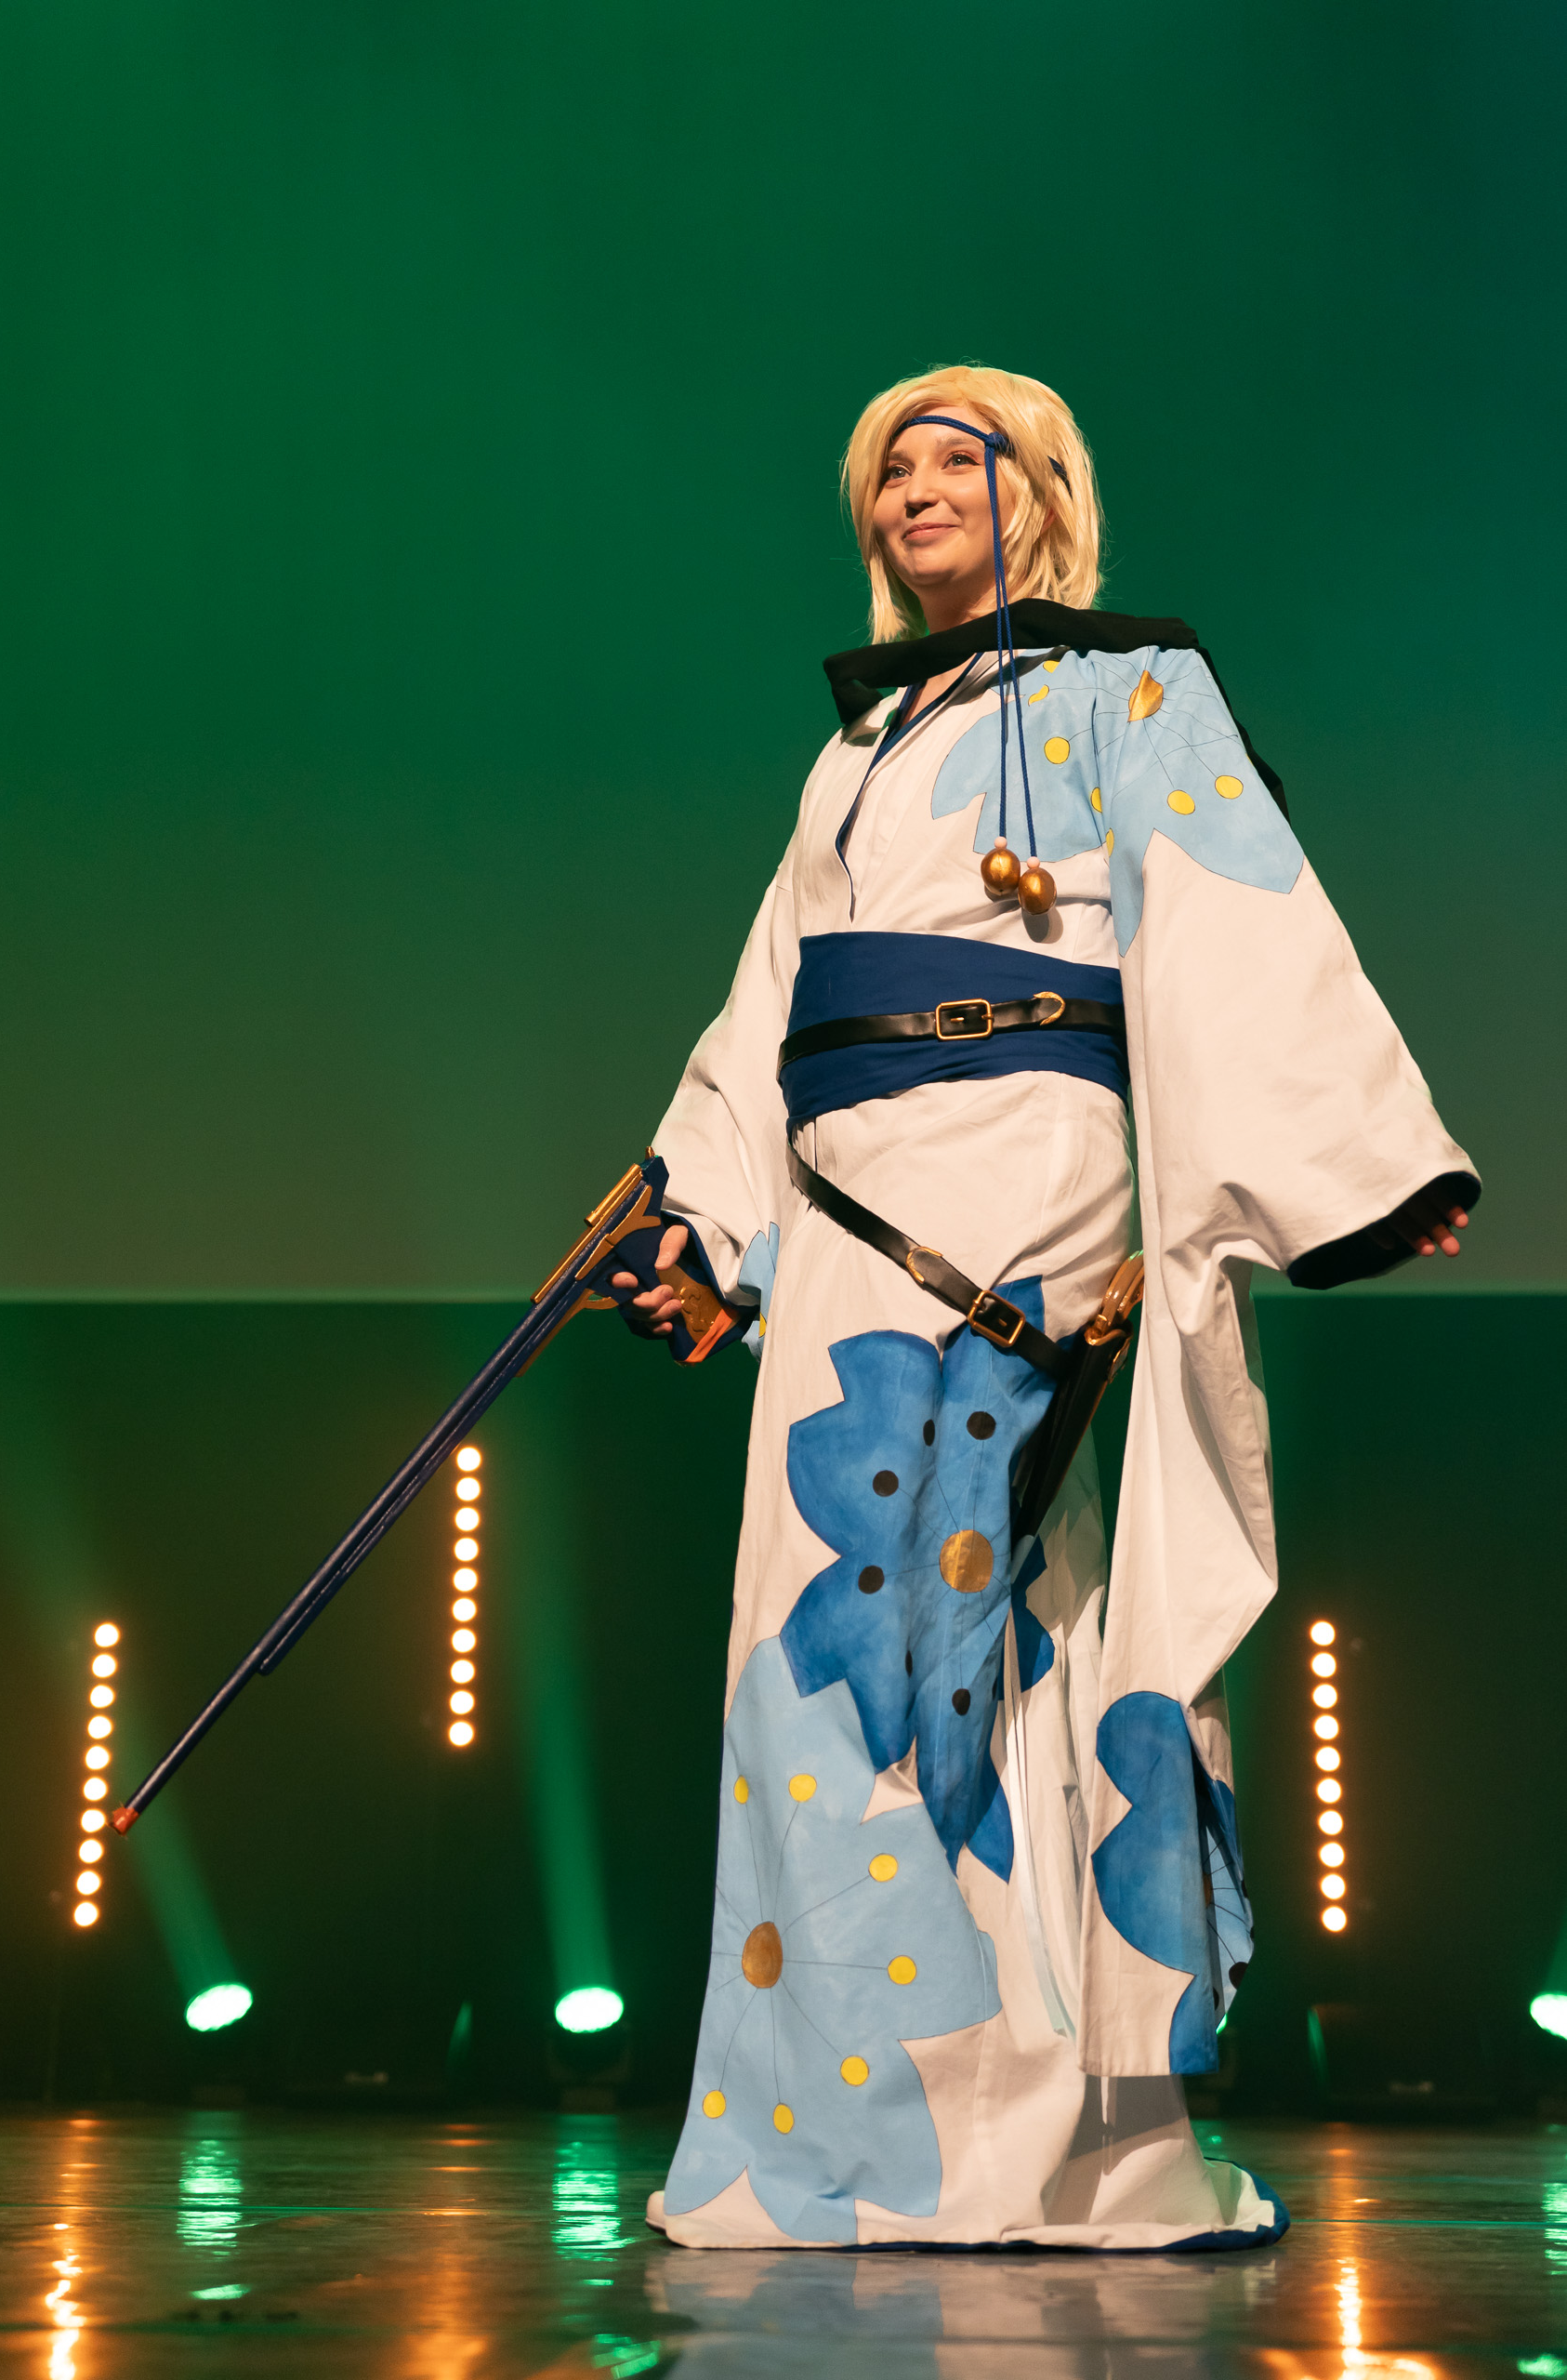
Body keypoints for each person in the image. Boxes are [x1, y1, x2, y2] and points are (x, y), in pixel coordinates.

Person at [613, 364, 1475, 2250]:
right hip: (845, 1216)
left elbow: (1236, 909)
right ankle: (835, 2144)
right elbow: (768, 1007)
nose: (913, 490)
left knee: (992, 1618)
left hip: (1027, 1169)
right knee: (820, 1648)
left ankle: (1052, 2131)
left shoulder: (1126, 689)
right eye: (888, 470)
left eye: (956, 458)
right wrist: (696, 1214)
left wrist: (1358, 1164)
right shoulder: (850, 752)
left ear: (1043, 499)